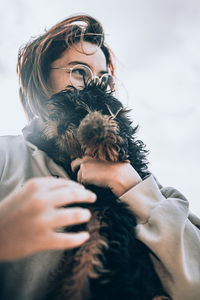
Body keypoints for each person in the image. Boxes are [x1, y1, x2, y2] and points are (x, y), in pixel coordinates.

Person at [0, 14, 199, 300]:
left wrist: (134, 189)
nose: (98, 87)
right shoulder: (6, 159)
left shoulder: (153, 187)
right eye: (79, 72)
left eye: (105, 78)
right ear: (41, 82)